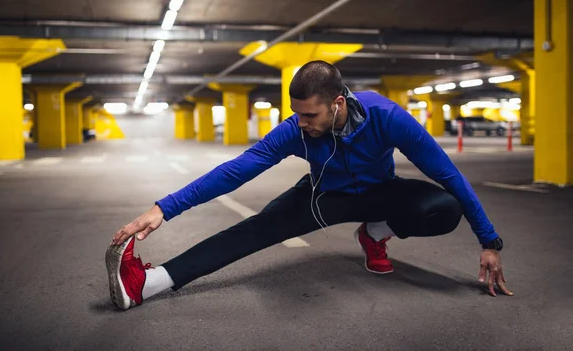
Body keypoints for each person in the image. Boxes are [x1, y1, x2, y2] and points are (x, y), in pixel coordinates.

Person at [106, 60, 513, 311]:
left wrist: (489, 241)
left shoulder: (386, 116)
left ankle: (376, 232)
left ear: (337, 103)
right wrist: (164, 208)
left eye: (311, 115)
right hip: (323, 199)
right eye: (296, 114)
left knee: (443, 205)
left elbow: (448, 173)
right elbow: (236, 170)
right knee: (250, 231)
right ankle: (151, 283)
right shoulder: (294, 130)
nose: (302, 123)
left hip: (378, 194)